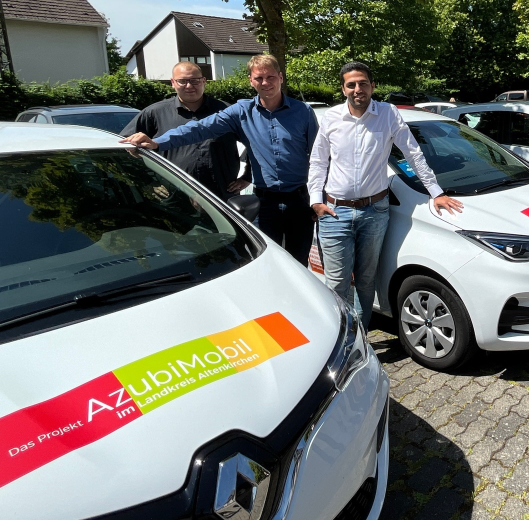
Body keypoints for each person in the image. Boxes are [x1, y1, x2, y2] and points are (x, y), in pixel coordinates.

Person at [122, 54, 318, 265]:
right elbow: (199, 128)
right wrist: (158, 142)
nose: (265, 83)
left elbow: (320, 157)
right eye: (259, 78)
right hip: (263, 204)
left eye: (270, 77)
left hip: (300, 201)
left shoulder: (303, 112)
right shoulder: (241, 111)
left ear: (280, 77)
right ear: (251, 81)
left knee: (299, 264)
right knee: (265, 263)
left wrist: (319, 198)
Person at [308, 62, 464, 328]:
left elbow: (412, 153)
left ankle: (361, 338)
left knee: (367, 281)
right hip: (335, 212)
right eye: (351, 84)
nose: (358, 89)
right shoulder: (331, 118)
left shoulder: (388, 114)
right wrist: (316, 201)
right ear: (343, 88)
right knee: (336, 283)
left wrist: (436, 192)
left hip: (374, 211)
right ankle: (339, 338)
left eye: (363, 83)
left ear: (373, 85)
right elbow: (318, 161)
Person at [119, 61, 249, 200]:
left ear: (204, 81)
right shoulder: (154, 113)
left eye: (195, 80)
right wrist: (148, 182)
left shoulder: (227, 112)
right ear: (173, 82)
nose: (189, 86)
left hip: (221, 196)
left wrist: (248, 177)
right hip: (174, 197)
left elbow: (257, 143)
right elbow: (122, 150)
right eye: (182, 81)